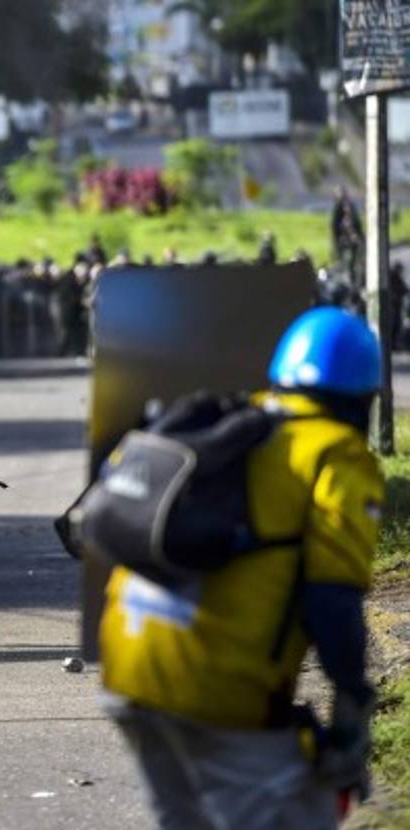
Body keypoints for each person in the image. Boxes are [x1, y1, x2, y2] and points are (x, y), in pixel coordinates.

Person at [99, 306, 384, 830]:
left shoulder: (233, 419)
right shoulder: (336, 454)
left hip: (127, 669)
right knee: (306, 817)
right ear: (365, 397)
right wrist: (352, 700)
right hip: (214, 689)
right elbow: (333, 596)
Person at [332, 187, 364, 289]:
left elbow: (356, 224)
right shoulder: (340, 208)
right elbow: (335, 226)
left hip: (350, 242)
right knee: (346, 263)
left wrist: (358, 236)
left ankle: (352, 283)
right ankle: (348, 283)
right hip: (345, 242)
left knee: (351, 263)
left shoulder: (348, 207)